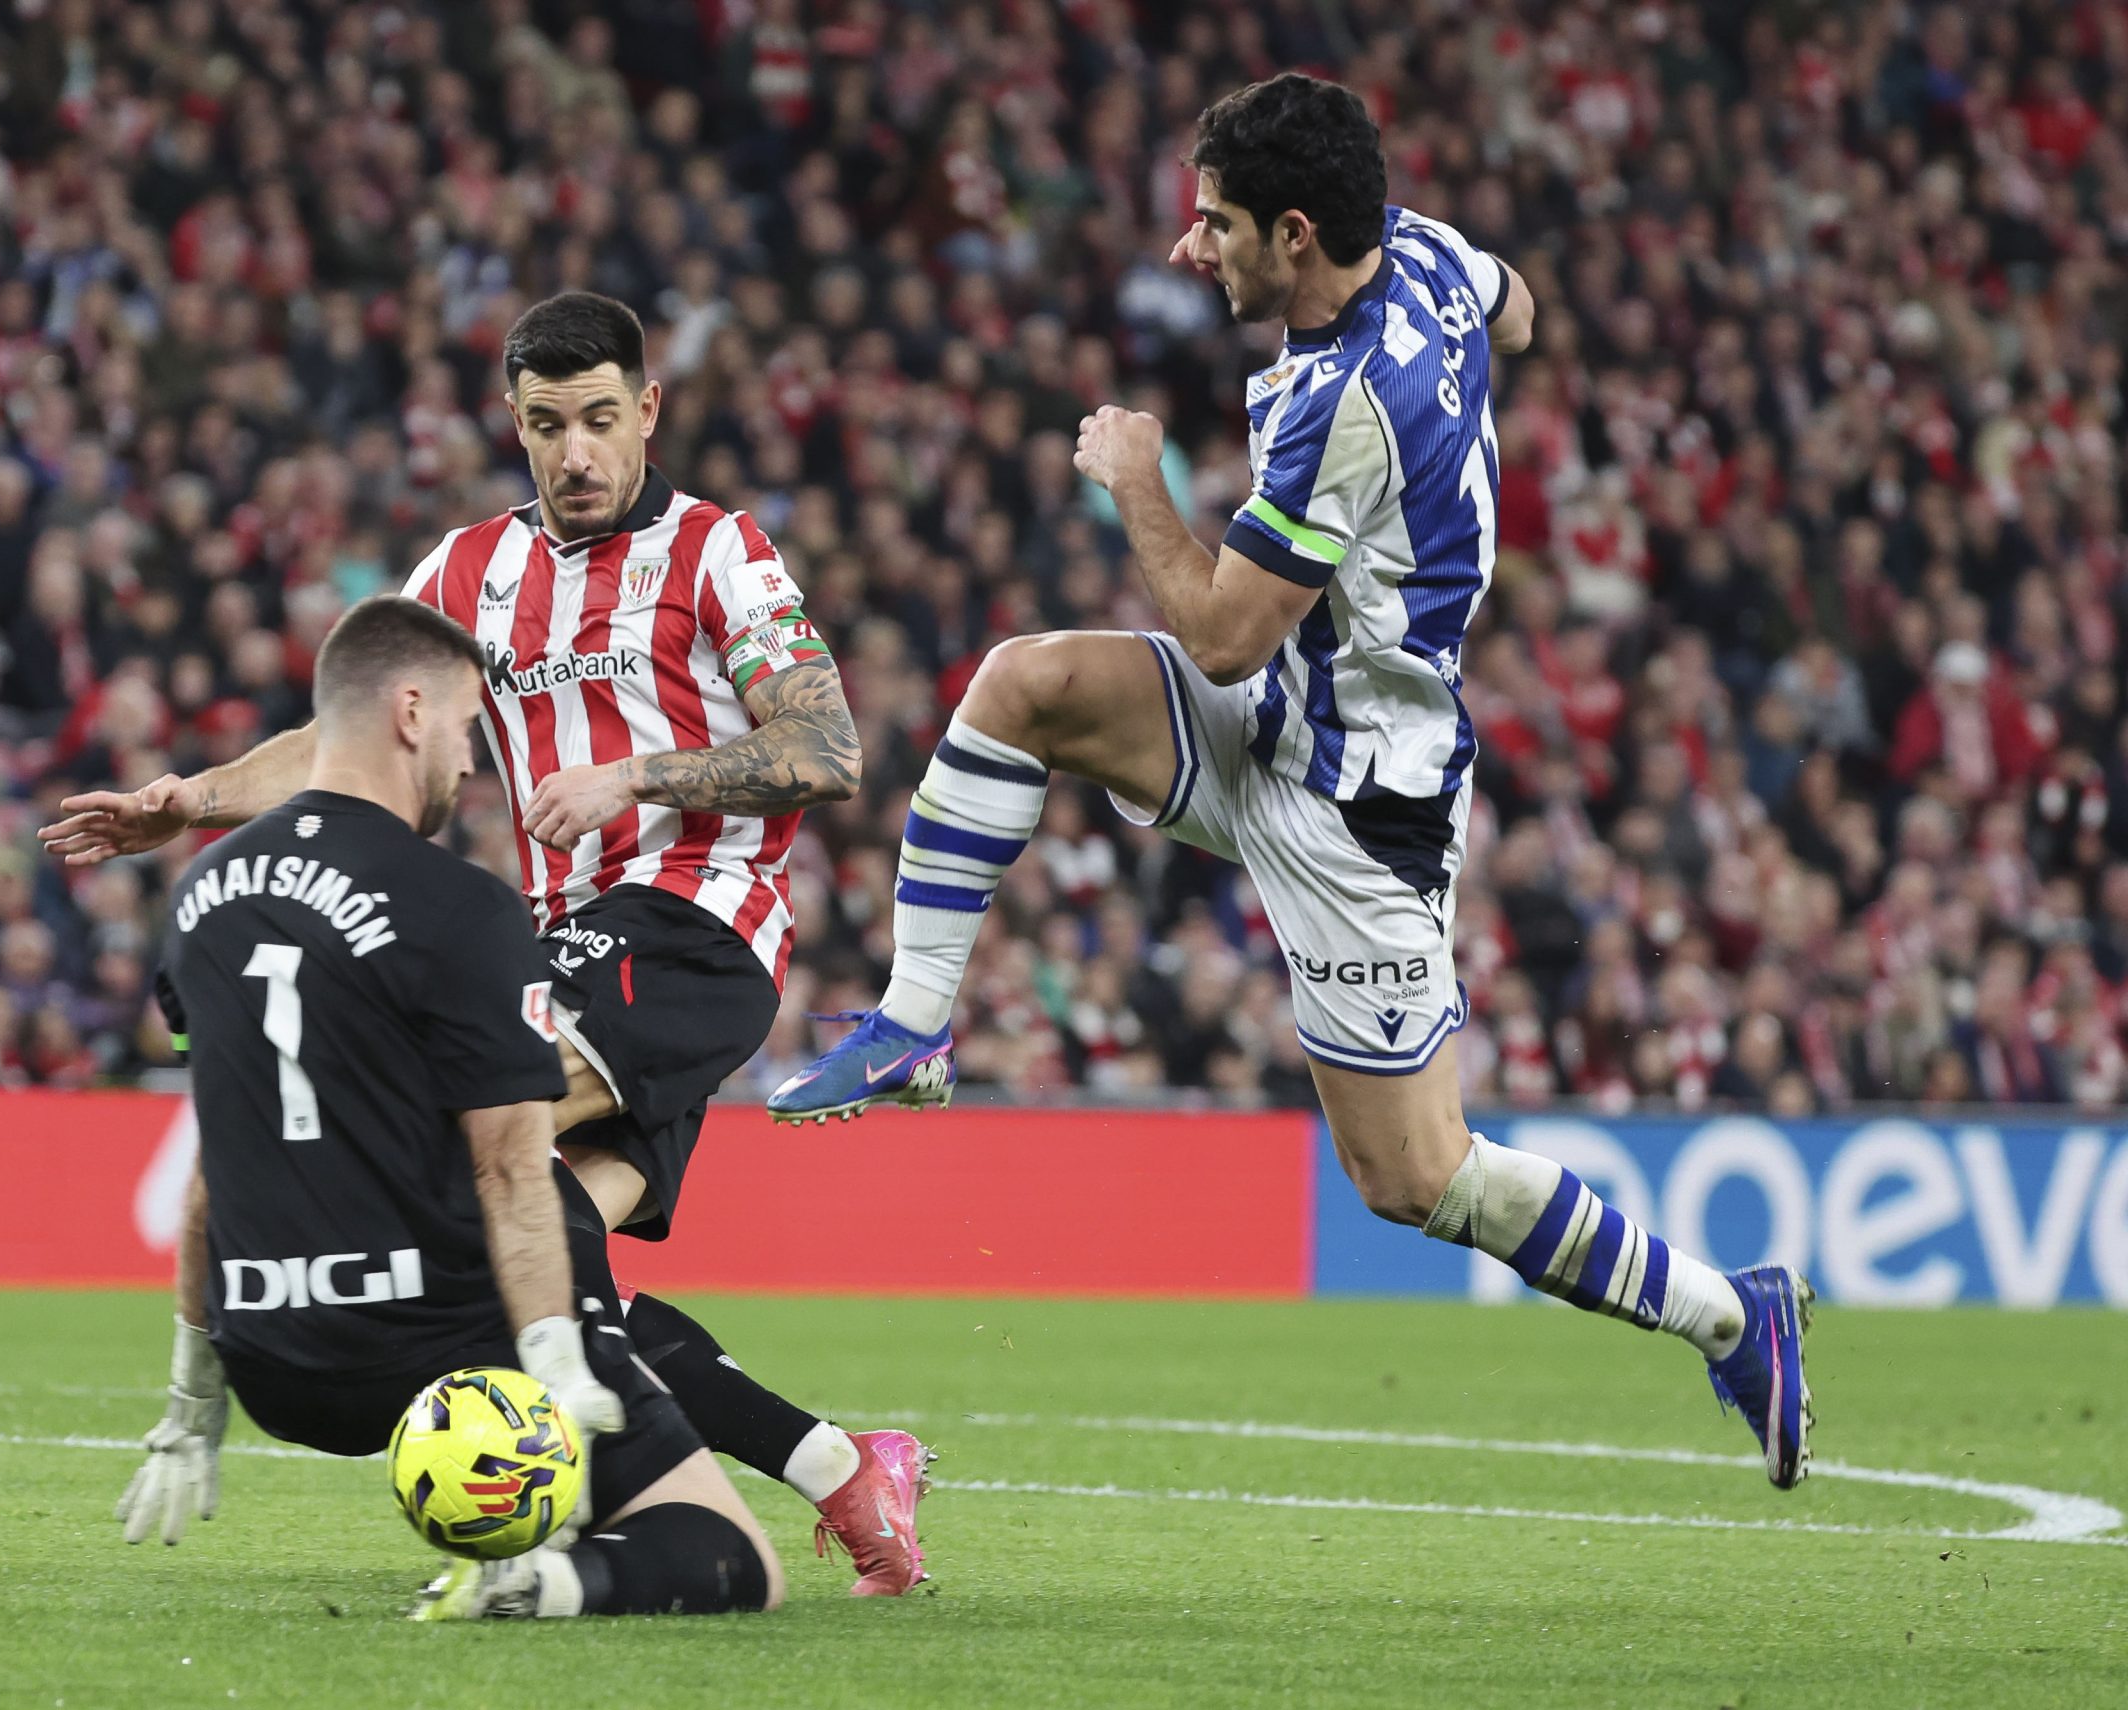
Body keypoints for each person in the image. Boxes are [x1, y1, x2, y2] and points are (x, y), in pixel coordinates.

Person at [770, 75, 1816, 1490]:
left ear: (1298, 234)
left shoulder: (1346, 403)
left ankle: (1728, 1315)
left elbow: (1218, 631)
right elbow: (1519, 310)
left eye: (1218, 224)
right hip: (1282, 718)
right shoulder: (1422, 249)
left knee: (1415, 1177)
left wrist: (1134, 478)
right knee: (1024, 686)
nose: (1191, 247)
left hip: (1356, 813)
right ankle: (912, 1025)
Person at [43, 293, 930, 1590]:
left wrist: (637, 778)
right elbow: (348, 732)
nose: (576, 452)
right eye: (546, 425)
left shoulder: (719, 551)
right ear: (513, 422)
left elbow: (828, 747)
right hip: (556, 954)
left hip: (689, 932)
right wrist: (192, 798)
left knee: (445, 1160)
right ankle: (839, 1468)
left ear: (649, 411)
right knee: (540, 1249)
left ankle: (596, 1496)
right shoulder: (466, 573)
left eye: (600, 420)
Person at [128, 594, 782, 1621]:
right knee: (732, 1560)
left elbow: (221, 1151)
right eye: (470, 725)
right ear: (410, 713)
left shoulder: (198, 896)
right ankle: (532, 1581)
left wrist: (194, 1388)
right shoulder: (462, 908)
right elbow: (510, 1172)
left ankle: (801, 1461)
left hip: (276, 1369)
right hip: (428, 1349)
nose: (471, 761)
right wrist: (557, 1365)